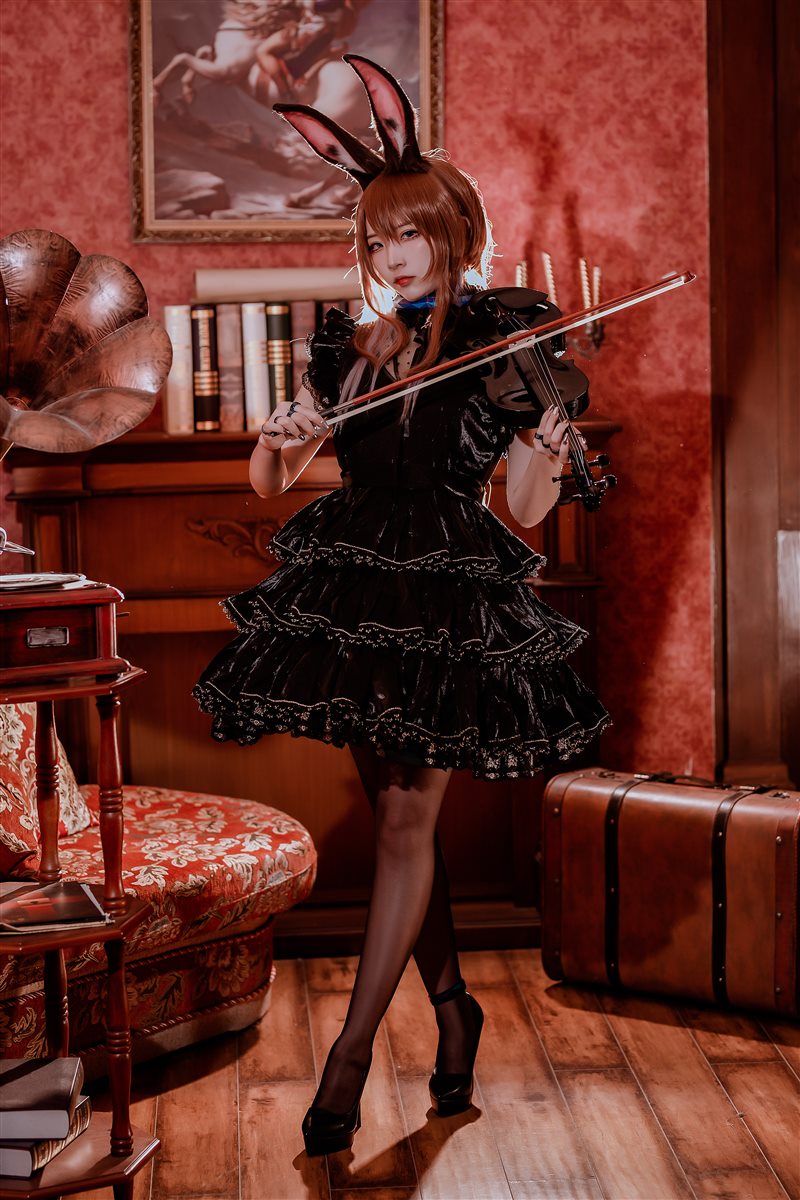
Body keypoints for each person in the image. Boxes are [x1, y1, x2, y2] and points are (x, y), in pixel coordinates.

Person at [193, 55, 610, 1158]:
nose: (393, 255)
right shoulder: (354, 346)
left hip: (449, 599)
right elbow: (271, 483)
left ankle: (350, 1051)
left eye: (411, 235)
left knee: (403, 824)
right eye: (377, 240)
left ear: (454, 232)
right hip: (352, 592)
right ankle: (457, 1010)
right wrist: (276, 439)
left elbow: (525, 508)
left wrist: (546, 447)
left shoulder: (501, 338)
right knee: (395, 821)